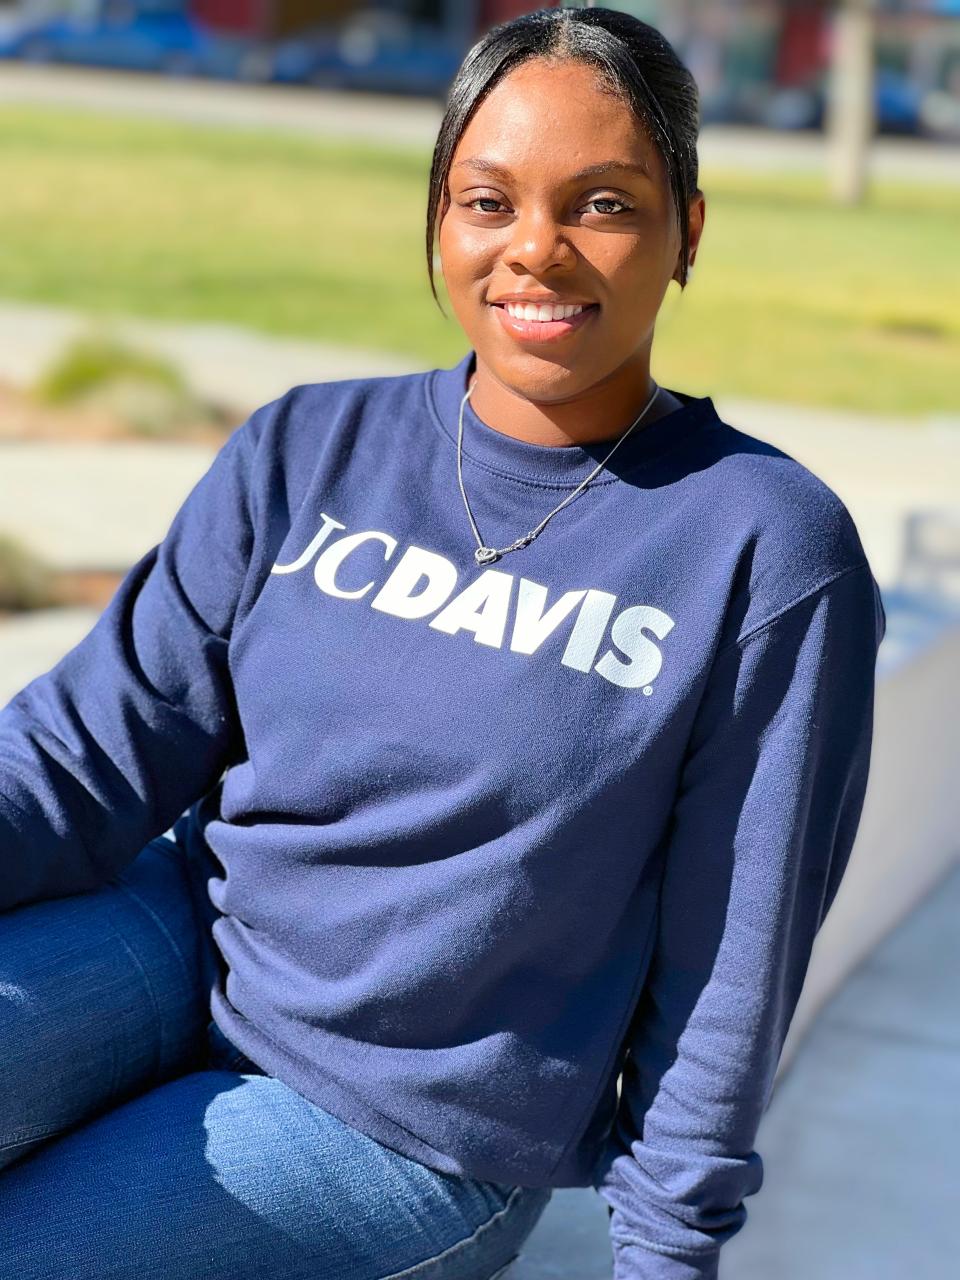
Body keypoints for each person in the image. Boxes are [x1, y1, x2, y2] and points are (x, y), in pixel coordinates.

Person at [0, 7, 886, 1280]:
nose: (536, 248)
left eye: (603, 204)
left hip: (412, 1122)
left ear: (688, 232)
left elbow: (730, 967)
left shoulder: (765, 547)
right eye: (488, 201)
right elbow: (86, 752)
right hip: (185, 946)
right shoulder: (307, 445)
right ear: (439, 221)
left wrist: (667, 1249)